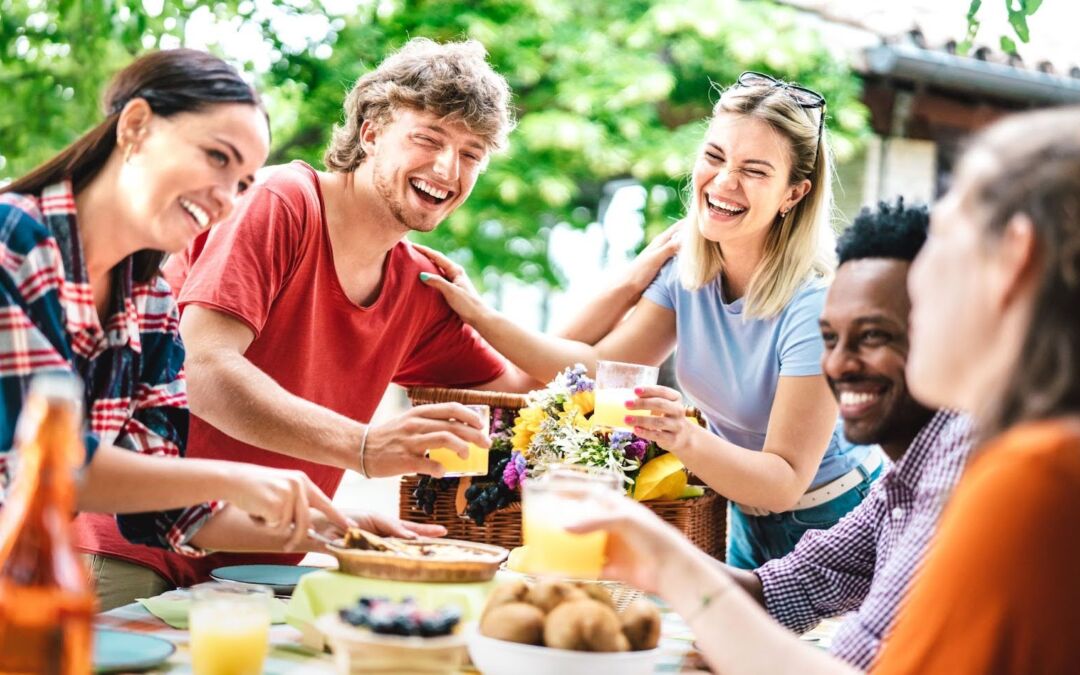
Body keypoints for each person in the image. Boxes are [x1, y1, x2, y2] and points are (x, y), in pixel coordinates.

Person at [570, 106, 1080, 674]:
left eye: (945, 240)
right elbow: (793, 591)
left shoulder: (1033, 473)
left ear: (1016, 255)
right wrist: (656, 555)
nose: (919, 281)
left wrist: (672, 568)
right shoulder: (940, 457)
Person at [75, 38, 538, 596]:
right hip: (128, 551)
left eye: (471, 154)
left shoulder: (420, 287)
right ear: (371, 133)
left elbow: (529, 391)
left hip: (259, 571)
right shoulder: (281, 200)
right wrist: (363, 446)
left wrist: (495, 315)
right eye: (428, 138)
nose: (447, 168)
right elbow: (203, 370)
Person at [0, 49, 418, 610]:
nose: (227, 198)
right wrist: (232, 476)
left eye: (244, 182)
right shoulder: (16, 241)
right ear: (136, 126)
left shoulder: (146, 303)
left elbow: (168, 508)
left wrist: (337, 530)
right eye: (216, 158)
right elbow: (45, 463)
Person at [420, 71, 876, 566]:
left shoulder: (814, 306)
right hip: (744, 515)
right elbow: (591, 369)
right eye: (715, 157)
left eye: (755, 171)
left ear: (794, 193)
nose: (724, 182)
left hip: (835, 519)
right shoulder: (690, 272)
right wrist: (480, 314)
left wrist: (682, 434)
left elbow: (785, 480)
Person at [727, 199, 973, 669]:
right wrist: (646, 548)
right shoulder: (907, 473)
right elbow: (790, 587)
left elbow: (862, 661)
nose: (839, 364)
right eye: (831, 338)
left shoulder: (959, 472)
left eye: (874, 336)